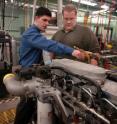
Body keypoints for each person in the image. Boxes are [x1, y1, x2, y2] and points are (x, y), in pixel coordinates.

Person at [14, 7, 85, 124]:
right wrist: (72, 51)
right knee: (26, 105)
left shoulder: (35, 33)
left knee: (32, 105)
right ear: (36, 18)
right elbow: (49, 45)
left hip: (33, 72)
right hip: (28, 75)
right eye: (44, 20)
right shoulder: (31, 34)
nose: (47, 24)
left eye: (49, 21)